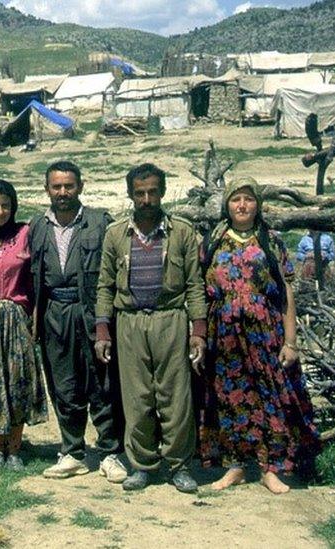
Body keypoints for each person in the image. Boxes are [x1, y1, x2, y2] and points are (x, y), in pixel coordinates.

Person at [198, 177, 319, 494]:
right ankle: (235, 466)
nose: (242, 205)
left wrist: (291, 342)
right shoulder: (213, 240)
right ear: (226, 204)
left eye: (248, 199)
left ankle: (271, 469)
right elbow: (197, 290)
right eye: (236, 199)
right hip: (223, 335)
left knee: (270, 398)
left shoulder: (271, 241)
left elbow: (286, 292)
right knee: (228, 398)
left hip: (265, 334)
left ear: (258, 205)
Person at [93, 163, 205, 493]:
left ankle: (178, 465)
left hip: (169, 319)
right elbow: (105, 286)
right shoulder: (115, 234)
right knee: (137, 397)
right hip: (128, 322)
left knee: (175, 397)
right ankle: (141, 464)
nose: (146, 199)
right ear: (130, 194)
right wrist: (103, 330)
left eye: (152, 191)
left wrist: (198, 329)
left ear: (162, 192)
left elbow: (195, 284)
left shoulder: (181, 232)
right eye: (139, 193)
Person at [28, 160, 126, 482]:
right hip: (55, 313)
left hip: (90, 312)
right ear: (47, 190)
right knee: (63, 385)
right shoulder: (38, 226)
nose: (63, 192)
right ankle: (72, 452)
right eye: (56, 187)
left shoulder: (100, 223)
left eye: (69, 186)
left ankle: (110, 453)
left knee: (101, 383)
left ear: (81, 187)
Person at [0, 179, 49, 472]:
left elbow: (35, 279)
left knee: (17, 382)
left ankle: (15, 448)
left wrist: (34, 318)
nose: (0, 212)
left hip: (17, 318)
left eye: (5, 205)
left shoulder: (25, 234)